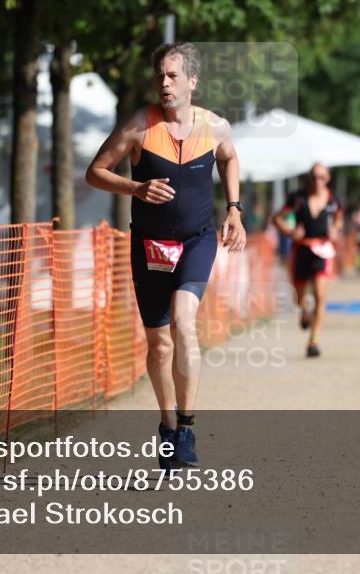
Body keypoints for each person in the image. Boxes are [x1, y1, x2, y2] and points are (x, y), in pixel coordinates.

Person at [85, 42, 245, 471]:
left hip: (196, 240)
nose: (165, 83)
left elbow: (229, 159)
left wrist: (235, 209)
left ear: (192, 81)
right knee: (158, 345)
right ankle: (168, 425)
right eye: (160, 75)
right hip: (149, 246)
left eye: (173, 76)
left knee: (184, 321)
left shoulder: (215, 127)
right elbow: (95, 172)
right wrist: (137, 188)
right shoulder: (139, 126)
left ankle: (188, 428)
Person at [272, 163, 343, 357]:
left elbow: (339, 219)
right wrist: (290, 231)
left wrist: (335, 230)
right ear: (309, 178)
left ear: (328, 178)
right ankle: (305, 311)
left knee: (321, 295)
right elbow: (277, 219)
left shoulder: (333, 200)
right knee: (299, 299)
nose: (317, 181)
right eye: (314, 177)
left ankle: (313, 341)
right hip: (301, 250)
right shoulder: (297, 198)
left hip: (322, 250)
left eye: (321, 177)